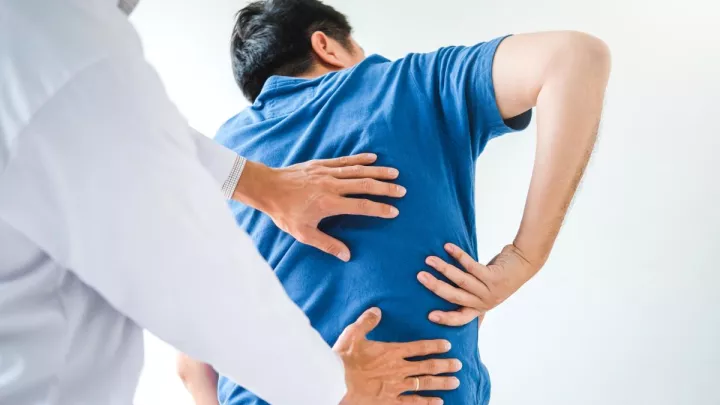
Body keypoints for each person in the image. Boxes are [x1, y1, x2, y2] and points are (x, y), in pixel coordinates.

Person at [0, 1, 465, 405]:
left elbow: (190, 367)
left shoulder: (42, 45)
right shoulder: (64, 42)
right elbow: (194, 282)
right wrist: (336, 387)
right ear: (326, 46)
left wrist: (259, 183)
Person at [177, 1, 611, 404]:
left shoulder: (222, 162)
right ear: (325, 45)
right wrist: (524, 256)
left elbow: (191, 366)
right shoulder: (408, 84)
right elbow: (576, 57)